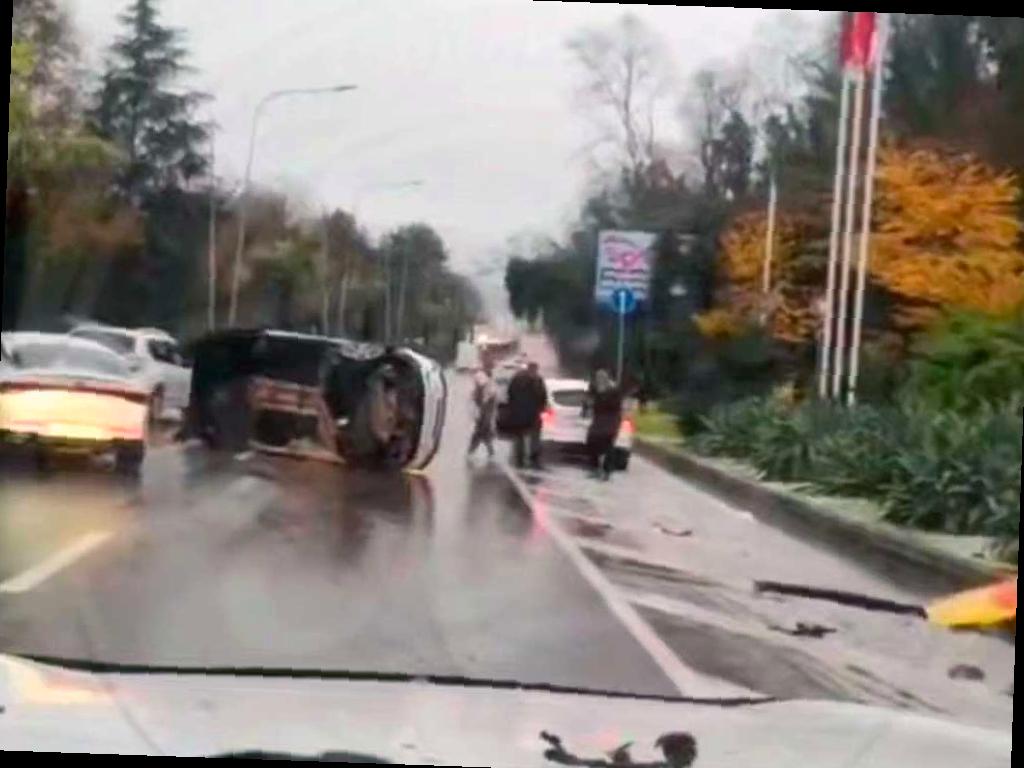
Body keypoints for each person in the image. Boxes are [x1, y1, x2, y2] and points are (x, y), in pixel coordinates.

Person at [505, 361, 547, 469]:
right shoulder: (537, 380)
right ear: (534, 369)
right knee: (534, 436)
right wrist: (541, 408)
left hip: (519, 412)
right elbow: (542, 396)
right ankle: (533, 459)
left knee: (520, 436)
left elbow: (509, 394)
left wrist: (512, 408)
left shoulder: (517, 378)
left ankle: (520, 460)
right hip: (532, 413)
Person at [585, 368, 624, 481]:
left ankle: (607, 471)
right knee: (592, 441)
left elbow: (614, 406)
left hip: (611, 420)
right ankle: (595, 468)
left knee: (608, 445)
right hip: (598, 420)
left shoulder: (613, 390)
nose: (599, 380)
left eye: (601, 378)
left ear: (606, 378)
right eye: (597, 378)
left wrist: (601, 395)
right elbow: (589, 400)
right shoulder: (596, 389)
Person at [467, 357, 498, 460]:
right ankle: (487, 451)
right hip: (486, 405)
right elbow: (481, 389)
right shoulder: (482, 376)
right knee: (483, 428)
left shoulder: (483, 376)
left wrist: (480, 403)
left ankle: (478, 450)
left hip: (487, 405)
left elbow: (483, 389)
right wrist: (480, 404)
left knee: (483, 428)